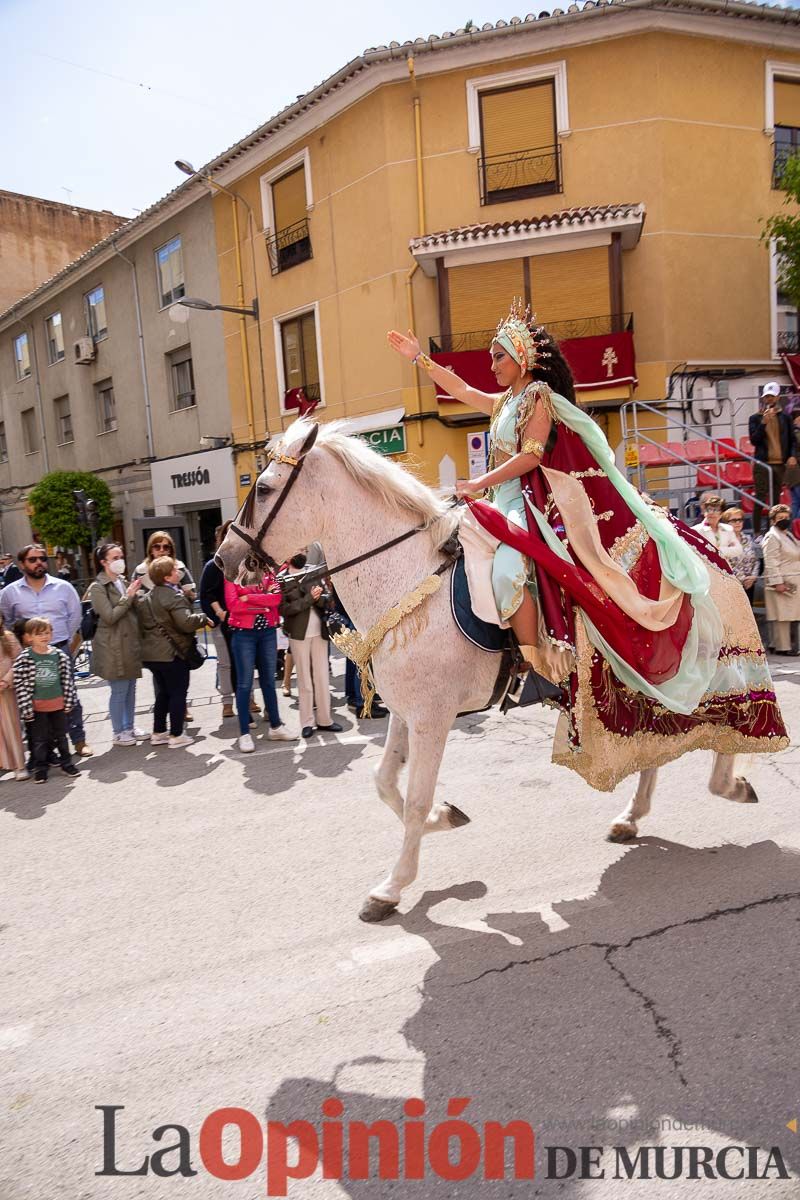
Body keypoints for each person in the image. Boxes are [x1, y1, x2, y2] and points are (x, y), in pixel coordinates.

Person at [388, 303, 787, 789]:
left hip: (522, 503)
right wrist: (418, 359)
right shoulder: (503, 402)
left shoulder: (538, 397)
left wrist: (479, 482)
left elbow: (531, 456)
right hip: (495, 499)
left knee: (509, 572)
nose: (491, 366)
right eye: (491, 357)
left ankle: (536, 663)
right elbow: (463, 389)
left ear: (522, 359)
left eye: (498, 357)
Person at [1, 544, 91, 757]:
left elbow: (74, 616)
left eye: (42, 558)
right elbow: (7, 622)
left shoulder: (63, 587)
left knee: (69, 695)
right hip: (28, 656)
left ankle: (79, 741)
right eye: (32, 559)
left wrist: (64, 642)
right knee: (35, 701)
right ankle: (44, 749)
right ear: (22, 564)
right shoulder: (9, 593)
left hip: (58, 649)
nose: (39, 563)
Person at [137, 556, 212, 747]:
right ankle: (177, 734)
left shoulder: (148, 596)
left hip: (152, 655)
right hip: (172, 653)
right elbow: (186, 623)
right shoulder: (173, 596)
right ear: (167, 577)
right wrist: (203, 618)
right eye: (174, 570)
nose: (178, 572)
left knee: (163, 692)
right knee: (178, 692)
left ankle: (159, 732)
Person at [224, 571, 295, 752]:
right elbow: (233, 605)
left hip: (268, 632)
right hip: (243, 634)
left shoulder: (268, 573)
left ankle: (276, 726)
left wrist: (249, 598)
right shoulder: (232, 575)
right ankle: (245, 733)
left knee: (269, 682)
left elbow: (276, 599)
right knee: (244, 684)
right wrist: (263, 603)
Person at [279, 552, 343, 739]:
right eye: (298, 550)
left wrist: (318, 597)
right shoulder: (281, 579)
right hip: (299, 635)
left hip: (320, 633)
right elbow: (285, 609)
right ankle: (307, 722)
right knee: (304, 680)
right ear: (288, 554)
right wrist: (309, 597)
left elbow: (328, 599)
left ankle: (325, 720)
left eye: (305, 550)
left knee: (322, 678)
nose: (303, 553)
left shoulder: (313, 572)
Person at [87, 542, 144, 746]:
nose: (120, 561)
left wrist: (136, 596)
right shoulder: (98, 587)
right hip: (112, 645)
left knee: (131, 688)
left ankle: (129, 726)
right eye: (115, 558)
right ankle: (118, 731)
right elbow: (110, 617)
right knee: (119, 690)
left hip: (129, 643)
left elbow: (133, 609)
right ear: (103, 562)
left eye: (121, 556)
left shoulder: (122, 580)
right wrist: (128, 597)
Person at [13, 617, 80, 784]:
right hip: (37, 708)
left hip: (57, 705)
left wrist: (68, 701)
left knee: (61, 736)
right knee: (39, 739)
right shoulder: (25, 658)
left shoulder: (58, 655)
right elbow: (20, 684)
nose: (44, 636)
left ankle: (66, 763)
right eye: (39, 634)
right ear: (29, 637)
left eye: (47, 633)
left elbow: (67, 680)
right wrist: (26, 709)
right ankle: (41, 767)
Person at [748, 383, 797, 536]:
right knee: (760, 496)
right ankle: (757, 532)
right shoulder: (755, 418)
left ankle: (776, 531)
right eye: (766, 396)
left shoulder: (785, 418)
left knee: (777, 499)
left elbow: (792, 440)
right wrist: (763, 423)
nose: (769, 399)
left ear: (777, 397)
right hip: (762, 463)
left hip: (779, 464)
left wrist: (792, 455)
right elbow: (754, 440)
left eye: (771, 396)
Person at [762, 503, 800, 655]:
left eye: (786, 517)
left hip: (793, 579)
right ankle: (782, 647)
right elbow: (770, 560)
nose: (784, 520)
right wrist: (777, 582)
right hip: (781, 580)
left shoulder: (787, 534)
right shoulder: (772, 536)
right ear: (772, 520)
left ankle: (777, 644)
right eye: (780, 518)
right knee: (781, 616)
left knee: (789, 614)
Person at [0, 613, 27, 779]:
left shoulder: (8, 637)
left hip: (7, 690)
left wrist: (6, 681)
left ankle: (18, 764)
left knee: (11, 727)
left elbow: (19, 660)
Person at [133, 531, 196, 598]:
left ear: (169, 551)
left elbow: (192, 595)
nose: (161, 550)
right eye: (157, 547)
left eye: (166, 547)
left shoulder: (180, 567)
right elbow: (135, 598)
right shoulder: (140, 571)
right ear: (151, 550)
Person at [720, 507, 760, 606]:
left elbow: (755, 560)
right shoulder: (723, 541)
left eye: (740, 520)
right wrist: (743, 579)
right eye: (734, 520)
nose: (738, 522)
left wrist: (753, 577)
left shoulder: (748, 538)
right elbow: (726, 563)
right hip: (733, 584)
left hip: (750, 584)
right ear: (726, 523)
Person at [692, 493, 743, 563]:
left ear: (721, 514)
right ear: (704, 512)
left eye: (715, 510)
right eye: (709, 510)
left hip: (724, 570)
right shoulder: (695, 530)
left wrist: (719, 550)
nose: (711, 513)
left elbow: (738, 549)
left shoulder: (728, 529)